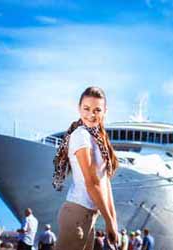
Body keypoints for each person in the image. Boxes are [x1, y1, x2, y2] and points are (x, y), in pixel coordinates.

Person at [53, 86, 119, 250]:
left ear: (105, 111)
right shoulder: (81, 135)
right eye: (86, 109)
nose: (91, 114)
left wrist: (113, 220)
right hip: (76, 214)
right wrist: (109, 221)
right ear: (78, 108)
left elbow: (105, 184)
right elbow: (91, 182)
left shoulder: (99, 140)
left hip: (88, 217)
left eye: (97, 110)